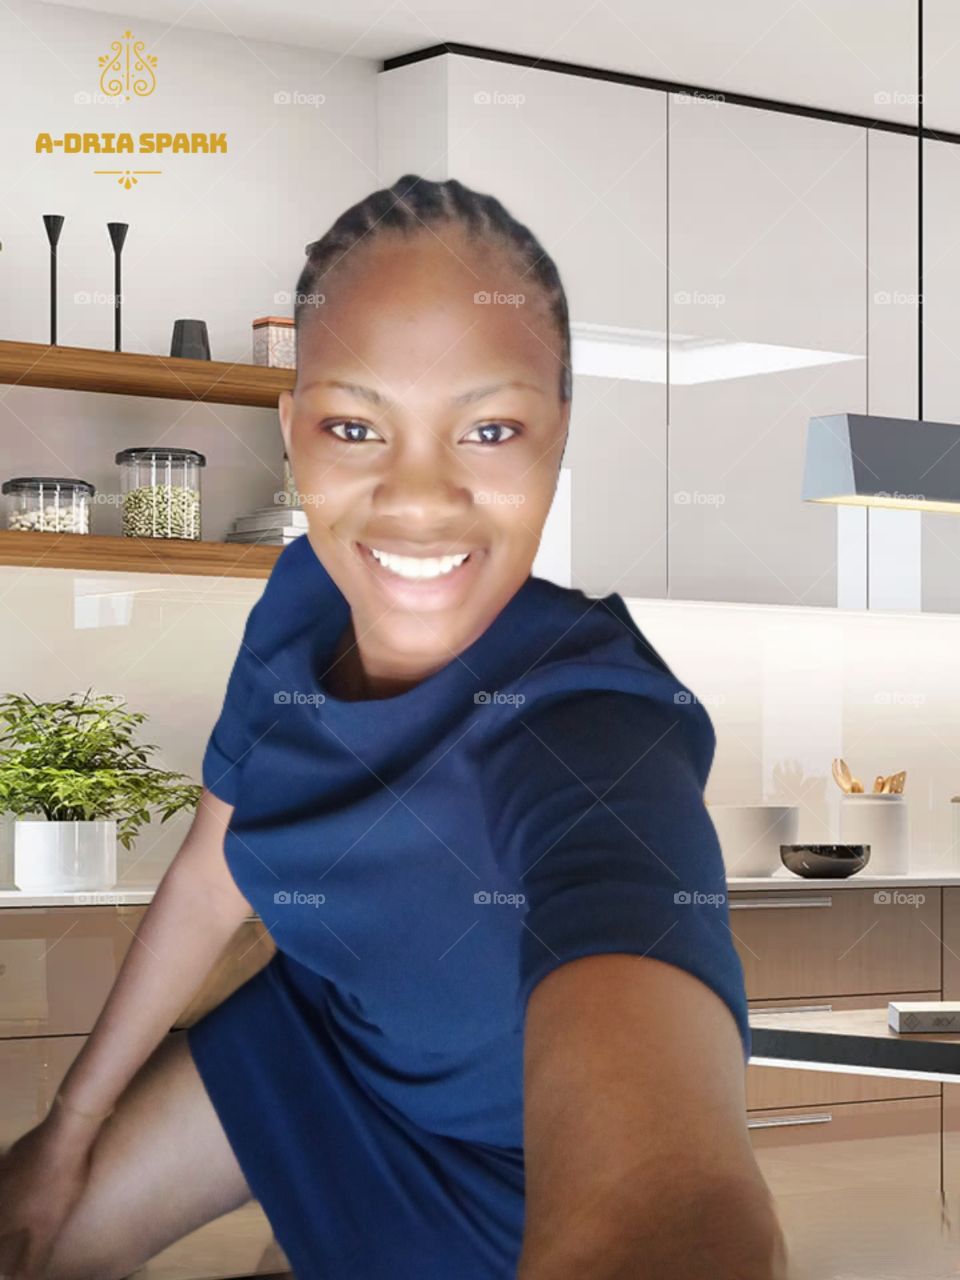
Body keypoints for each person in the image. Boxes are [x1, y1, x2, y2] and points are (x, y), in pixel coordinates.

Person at [0, 175, 789, 1280]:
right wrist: (66, 1128)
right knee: (29, 1230)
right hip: (323, 1045)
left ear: (558, 437)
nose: (418, 497)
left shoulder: (598, 728)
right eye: (357, 425)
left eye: (492, 428)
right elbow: (214, 866)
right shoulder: (300, 602)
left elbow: (674, 1194)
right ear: (294, 433)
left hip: (498, 1186)